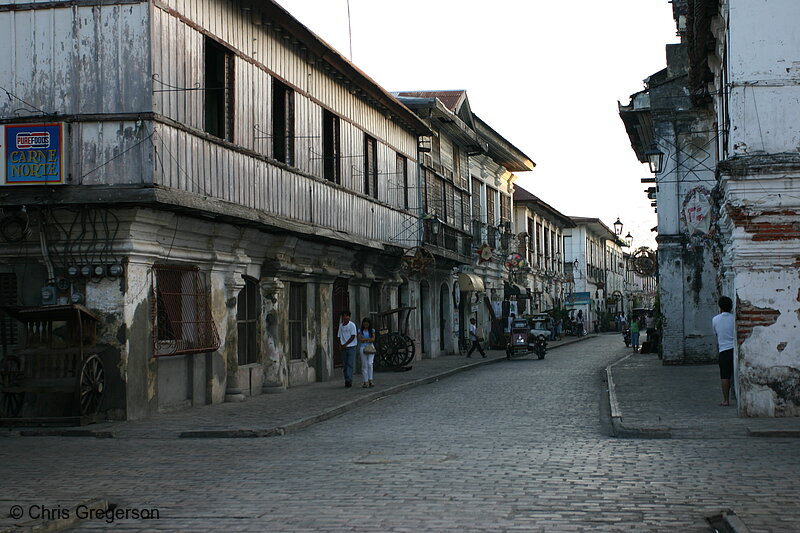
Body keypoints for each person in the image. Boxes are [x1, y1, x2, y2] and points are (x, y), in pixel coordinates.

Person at [712, 296, 735, 406]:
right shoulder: (734, 318)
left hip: (724, 350)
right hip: (735, 350)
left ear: (720, 307)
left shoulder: (715, 319)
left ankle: (726, 400)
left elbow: (716, 333)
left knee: (725, 376)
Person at [337, 310, 358, 387]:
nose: (345, 317)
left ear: (349, 317)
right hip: (343, 347)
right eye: (343, 316)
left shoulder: (352, 325)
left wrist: (346, 344)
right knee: (345, 365)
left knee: (350, 364)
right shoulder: (341, 326)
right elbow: (339, 336)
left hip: (351, 346)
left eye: (346, 316)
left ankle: (349, 379)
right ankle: (346, 379)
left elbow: (353, 336)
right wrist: (341, 344)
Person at [357, 317, 376, 388]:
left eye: (367, 324)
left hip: (370, 348)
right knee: (364, 365)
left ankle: (370, 379)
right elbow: (359, 339)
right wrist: (368, 339)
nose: (366, 325)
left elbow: (373, 339)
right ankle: (365, 381)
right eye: (364, 324)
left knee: (370, 363)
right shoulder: (360, 330)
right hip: (363, 348)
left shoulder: (372, 330)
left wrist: (365, 339)